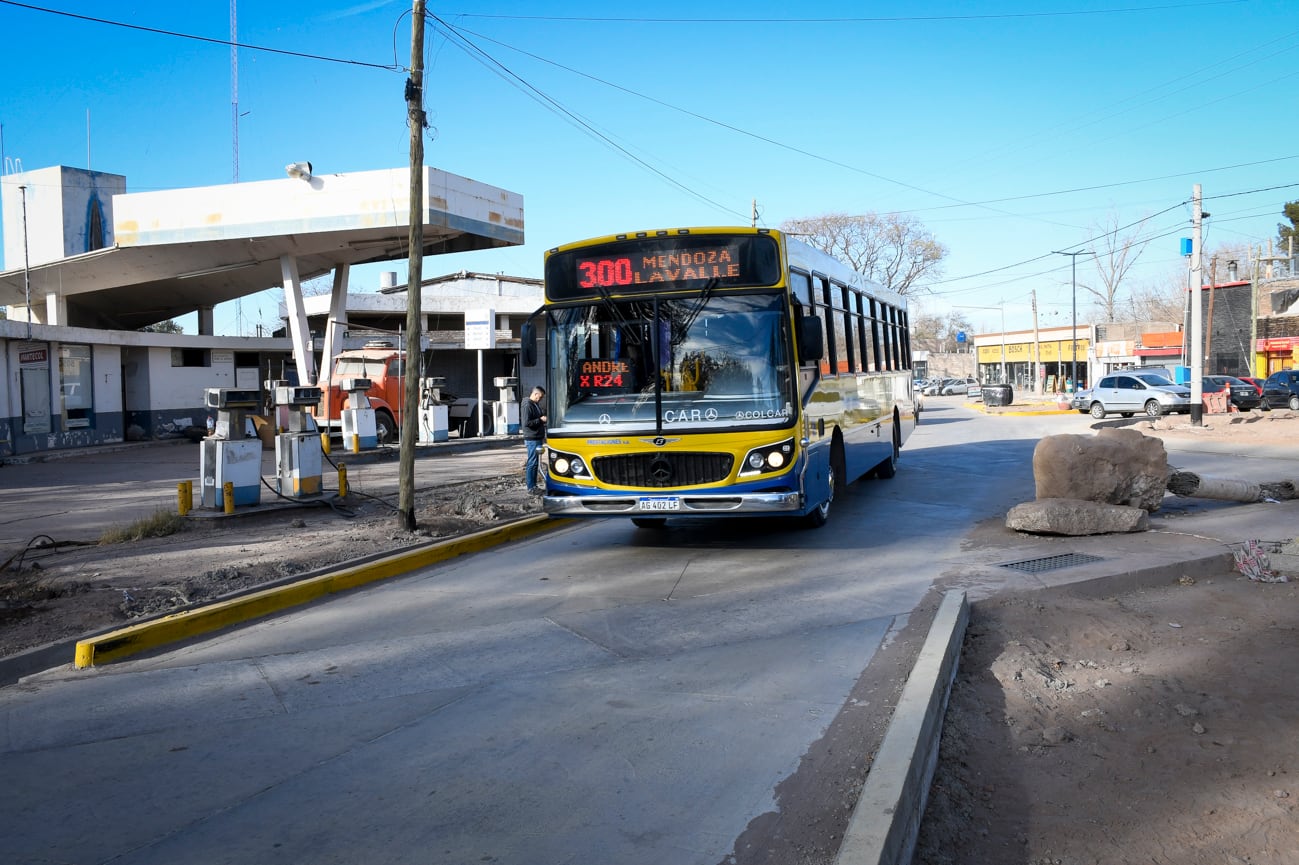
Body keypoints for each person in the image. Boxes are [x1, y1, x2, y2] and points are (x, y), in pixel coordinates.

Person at [522, 385, 547, 494]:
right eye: (540, 397)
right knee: (532, 462)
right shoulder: (527, 405)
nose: (540, 399)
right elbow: (526, 423)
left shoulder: (535, 404)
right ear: (535, 394)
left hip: (537, 437)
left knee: (535, 462)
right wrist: (540, 420)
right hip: (532, 438)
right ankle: (531, 487)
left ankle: (534, 485)